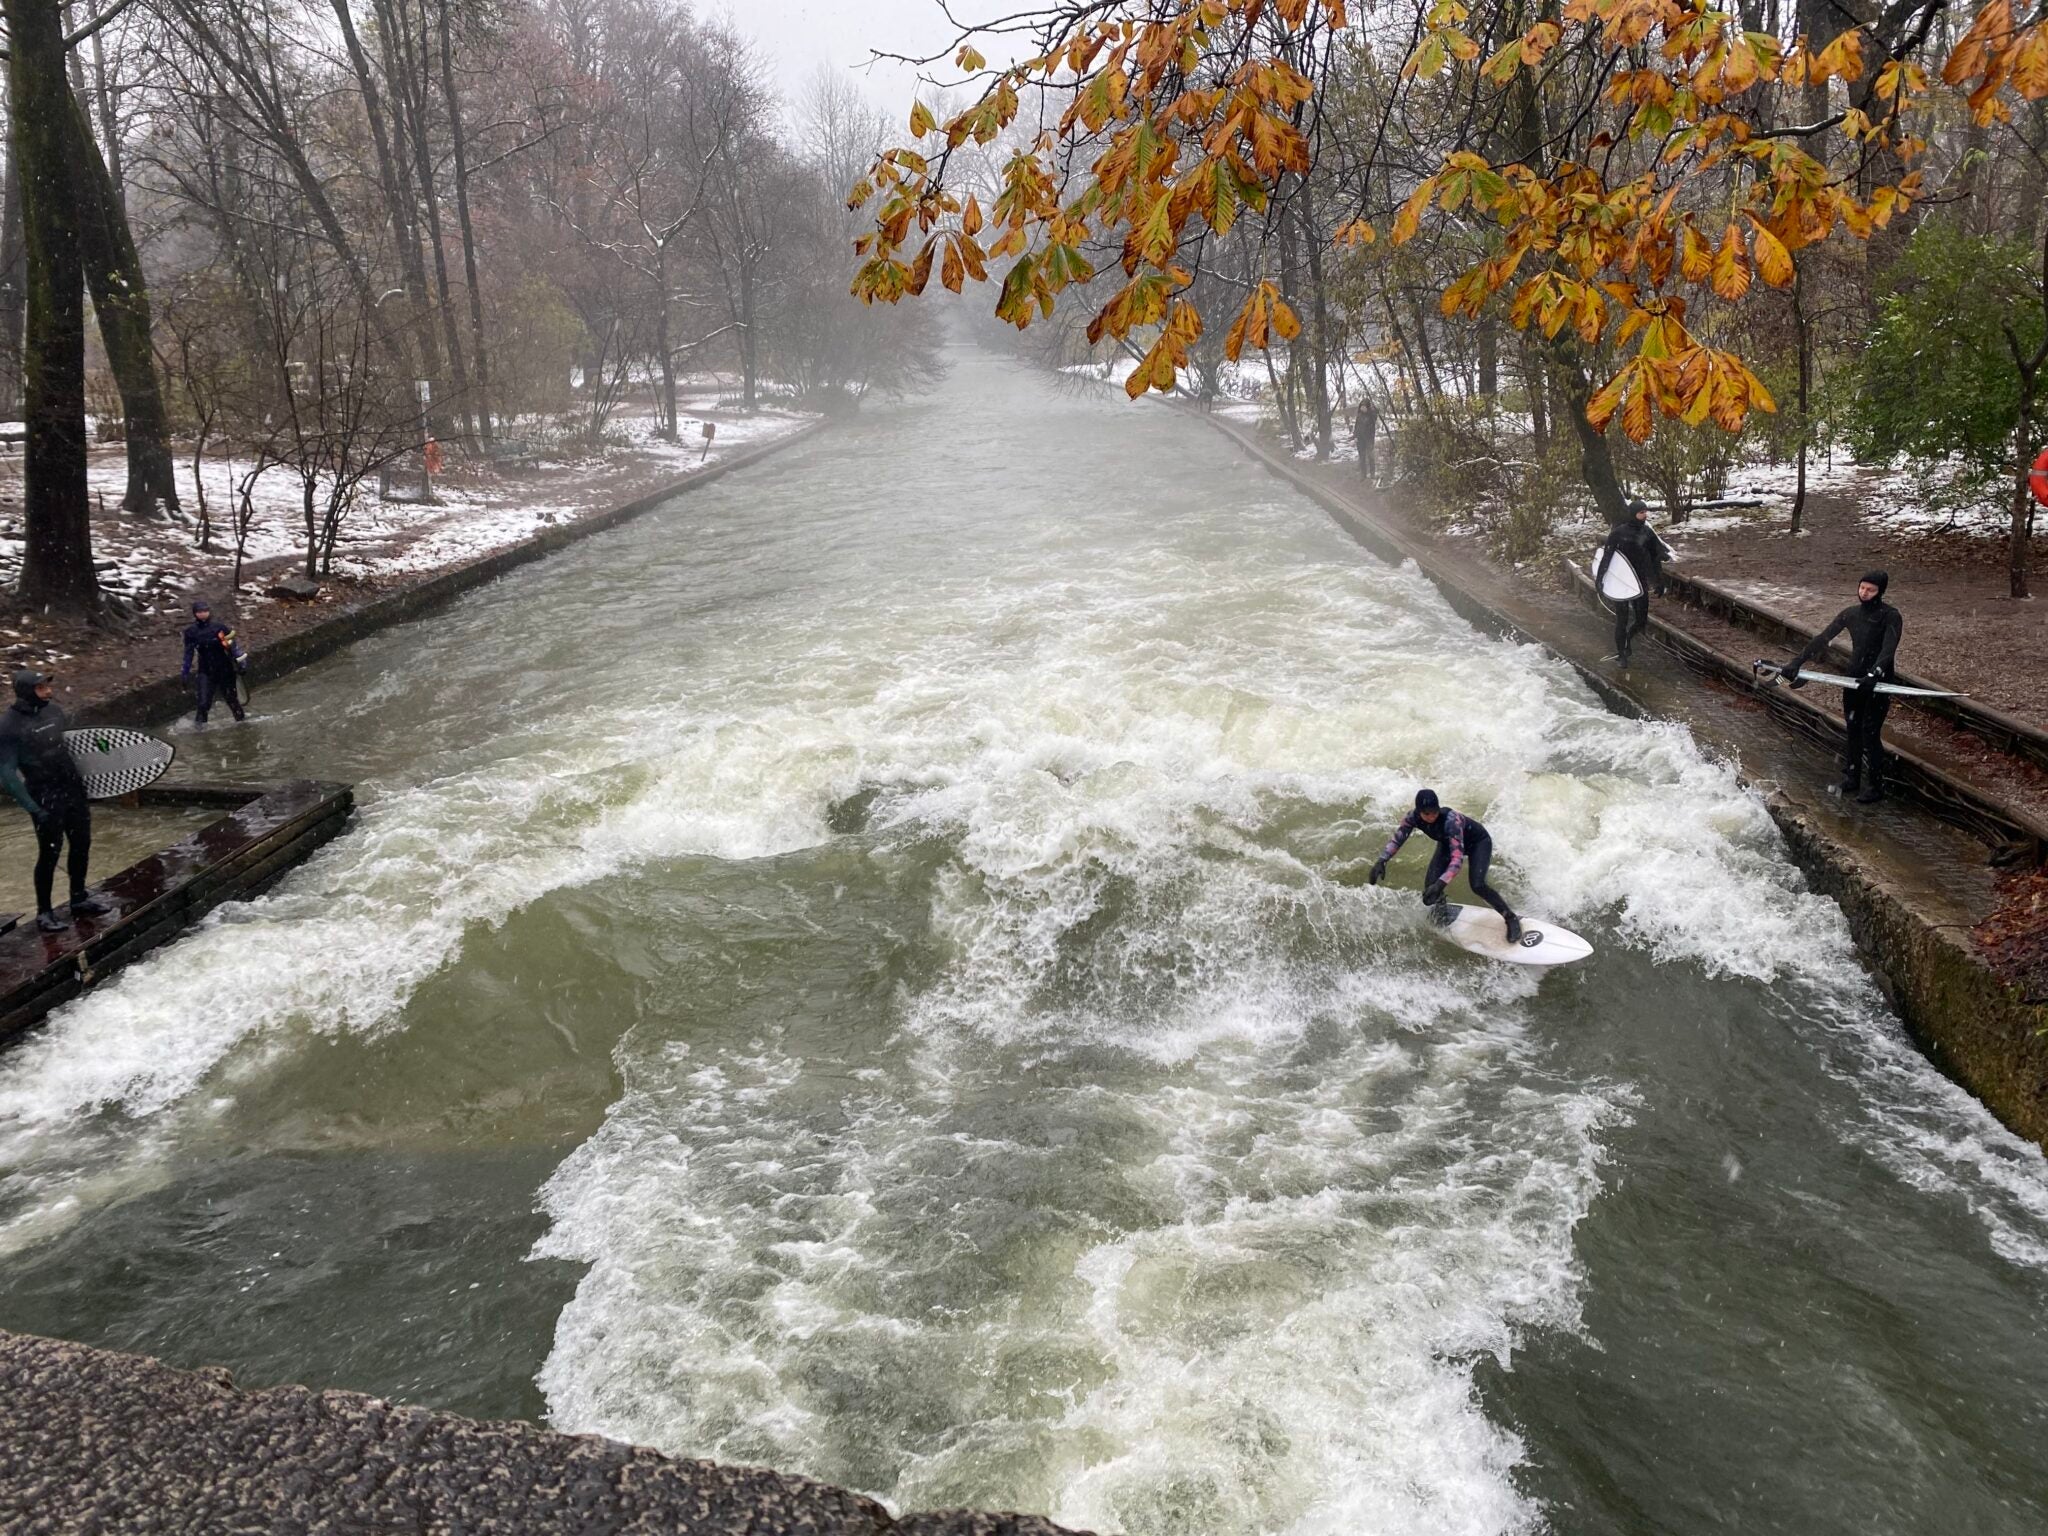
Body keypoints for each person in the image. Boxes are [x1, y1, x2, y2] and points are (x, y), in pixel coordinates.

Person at [1780, 571, 1902, 804]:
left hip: (1878, 682)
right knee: (1853, 727)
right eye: (1862, 588)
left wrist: (1874, 673)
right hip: (1853, 679)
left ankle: (1876, 785)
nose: (1864, 593)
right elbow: (1823, 638)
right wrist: (1797, 661)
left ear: (1881, 592)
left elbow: (1889, 649)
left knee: (1870, 732)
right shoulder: (1850, 614)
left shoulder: (1891, 616)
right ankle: (1852, 776)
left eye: (1870, 590)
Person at [0, 671, 106, 932]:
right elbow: (6, 773)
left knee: (82, 843)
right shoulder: (9, 726)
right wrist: (33, 808)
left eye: (47, 686)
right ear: (26, 691)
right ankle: (44, 913)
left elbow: (75, 744)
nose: (48, 691)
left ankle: (79, 898)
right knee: (50, 853)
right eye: (40, 688)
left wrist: (106, 754)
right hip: (44, 795)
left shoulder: (55, 712)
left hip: (72, 788)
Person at [1368, 788, 1522, 943]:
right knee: (1430, 887)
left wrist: (1441, 884)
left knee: (1478, 885)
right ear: (1419, 811)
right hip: (1447, 843)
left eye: (1434, 812)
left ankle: (1510, 917)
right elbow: (1398, 839)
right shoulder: (1412, 818)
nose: (1431, 816)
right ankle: (1442, 909)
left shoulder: (1451, 821)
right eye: (1426, 813)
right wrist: (1382, 860)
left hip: (1478, 843)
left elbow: (1456, 861)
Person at [1593, 498, 1675, 669]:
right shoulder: (1619, 533)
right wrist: (1600, 579)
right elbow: (1607, 557)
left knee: (1641, 621)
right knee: (1622, 619)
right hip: (1621, 581)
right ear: (1633, 514)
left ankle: (1627, 642)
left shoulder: (1647, 533)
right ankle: (1622, 654)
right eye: (1641, 512)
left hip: (1639, 582)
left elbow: (1655, 558)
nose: (1645, 515)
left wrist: (1658, 581)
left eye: (1646, 512)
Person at [181, 599, 247, 724]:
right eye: (199, 611)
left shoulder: (219, 627)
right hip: (205, 670)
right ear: (195, 613)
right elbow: (188, 654)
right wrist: (184, 673)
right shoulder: (191, 632)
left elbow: (233, 646)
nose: (203, 614)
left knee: (232, 700)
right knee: (203, 703)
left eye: (205, 611)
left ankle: (242, 724)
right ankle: (200, 731)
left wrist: (242, 663)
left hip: (225, 668)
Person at [1352, 396, 1379, 482]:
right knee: (1362, 457)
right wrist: (1355, 436)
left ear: (1368, 407)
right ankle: (1363, 474)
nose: (1362, 408)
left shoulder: (1371, 415)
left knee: (1370, 456)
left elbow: (1376, 413)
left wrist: (1371, 409)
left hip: (1369, 439)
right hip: (1360, 440)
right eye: (1361, 406)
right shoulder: (1359, 416)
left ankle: (1372, 474)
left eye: (1364, 406)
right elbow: (1356, 427)